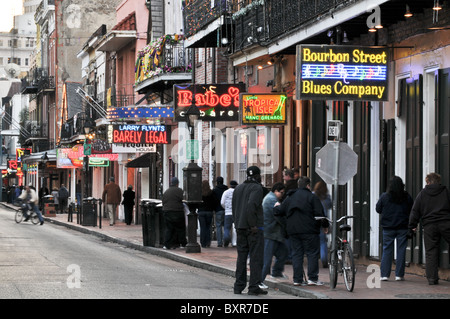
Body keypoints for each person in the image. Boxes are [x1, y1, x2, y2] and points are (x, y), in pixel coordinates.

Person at [274, 176, 329, 286]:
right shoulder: (312, 197)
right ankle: (312, 278)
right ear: (308, 186)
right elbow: (320, 214)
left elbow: (279, 211)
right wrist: (325, 225)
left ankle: (297, 279)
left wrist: (276, 207)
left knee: (297, 254)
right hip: (310, 230)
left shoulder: (290, 197)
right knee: (312, 253)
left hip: (293, 230)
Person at [408, 173, 450, 285]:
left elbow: (415, 211)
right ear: (438, 181)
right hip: (445, 223)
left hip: (429, 225)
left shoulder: (422, 194)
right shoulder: (445, 192)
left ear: (428, 182)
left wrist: (412, 225)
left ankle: (432, 279)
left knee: (431, 252)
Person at [232, 166, 267, 295]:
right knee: (255, 258)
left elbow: (234, 207)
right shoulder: (257, 188)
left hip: (240, 227)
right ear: (258, 176)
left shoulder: (238, 188)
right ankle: (253, 286)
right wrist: (253, 225)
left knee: (241, 257)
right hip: (252, 228)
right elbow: (251, 205)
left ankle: (238, 285)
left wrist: (236, 223)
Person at [376, 176, 413, 281]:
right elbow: (412, 209)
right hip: (403, 227)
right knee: (401, 250)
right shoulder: (406, 197)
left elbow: (378, 209)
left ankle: (384, 275)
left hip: (388, 227)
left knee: (387, 250)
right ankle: (399, 275)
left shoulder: (384, 196)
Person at [262, 182, 288, 285]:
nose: (282, 195)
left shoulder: (271, 198)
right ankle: (259, 280)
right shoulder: (271, 200)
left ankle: (277, 272)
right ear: (276, 191)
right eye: (281, 192)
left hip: (274, 233)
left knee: (283, 253)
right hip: (270, 233)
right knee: (267, 259)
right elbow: (279, 216)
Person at [162, 177, 187, 249]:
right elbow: (184, 199)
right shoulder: (179, 191)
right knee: (181, 229)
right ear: (177, 183)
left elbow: (163, 201)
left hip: (167, 212)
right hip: (177, 211)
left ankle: (167, 244)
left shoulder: (166, 191)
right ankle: (183, 243)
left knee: (169, 229)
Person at [313, 180, 332, 268]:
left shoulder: (312, 195)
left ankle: (314, 259)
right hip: (323, 220)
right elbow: (330, 206)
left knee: (314, 241)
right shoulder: (327, 197)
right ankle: (324, 259)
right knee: (323, 241)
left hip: (313, 220)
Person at [197, 181, 218, 248]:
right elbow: (215, 202)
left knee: (202, 227)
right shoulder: (211, 193)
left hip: (201, 212)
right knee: (208, 227)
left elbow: (197, 202)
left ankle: (203, 242)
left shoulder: (199, 193)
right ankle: (208, 242)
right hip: (209, 212)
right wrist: (213, 209)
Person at [221, 180, 238, 247]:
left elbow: (222, 202)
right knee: (235, 228)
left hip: (228, 212)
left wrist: (226, 208)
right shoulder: (237, 192)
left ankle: (226, 238)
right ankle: (234, 242)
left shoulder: (226, 192)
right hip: (236, 213)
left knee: (227, 228)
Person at [213, 176, 228, 247]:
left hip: (218, 209)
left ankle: (219, 242)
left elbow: (214, 200)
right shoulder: (226, 189)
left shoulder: (215, 190)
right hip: (226, 210)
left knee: (218, 226)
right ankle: (226, 240)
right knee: (226, 226)